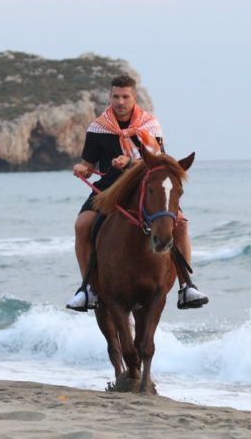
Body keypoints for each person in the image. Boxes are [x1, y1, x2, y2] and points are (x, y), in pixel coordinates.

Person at [66, 74, 209, 311]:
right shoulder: (97, 128)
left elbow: (157, 159)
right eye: (115, 97)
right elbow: (89, 164)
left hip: (145, 182)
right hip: (111, 186)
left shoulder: (149, 125)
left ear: (134, 98)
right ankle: (88, 289)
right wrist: (84, 168)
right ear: (110, 98)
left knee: (181, 224)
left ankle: (187, 286)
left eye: (125, 97)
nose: (120, 102)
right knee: (82, 225)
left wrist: (131, 161)